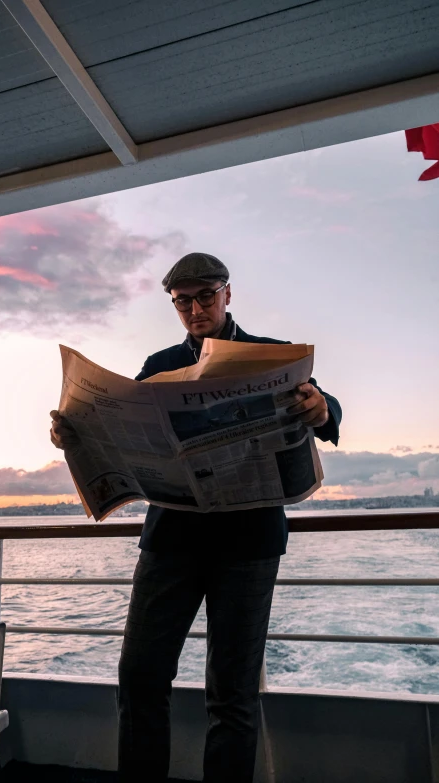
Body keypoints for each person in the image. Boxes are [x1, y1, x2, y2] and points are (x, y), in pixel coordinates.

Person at [50, 252, 342, 783]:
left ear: (228, 293)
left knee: (231, 692)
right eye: (181, 301)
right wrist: (76, 437)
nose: (193, 308)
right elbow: (120, 428)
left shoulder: (272, 355)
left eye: (205, 295)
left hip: (248, 544)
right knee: (140, 677)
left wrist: (322, 409)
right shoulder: (159, 364)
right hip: (171, 541)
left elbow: (327, 408)